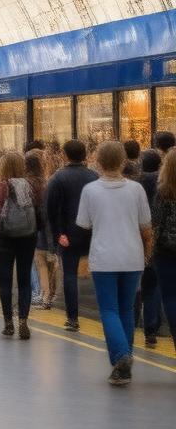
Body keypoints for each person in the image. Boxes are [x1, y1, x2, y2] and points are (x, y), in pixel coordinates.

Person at [75, 141, 151, 386]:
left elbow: (84, 224)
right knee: (126, 309)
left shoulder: (90, 190)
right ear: (123, 161)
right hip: (132, 256)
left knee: (109, 310)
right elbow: (146, 225)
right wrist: (148, 253)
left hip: (104, 257)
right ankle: (123, 366)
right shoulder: (136, 190)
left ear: (98, 161)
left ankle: (121, 357)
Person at [45, 139, 98, 332]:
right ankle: (106, 312)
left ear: (64, 155)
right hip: (92, 233)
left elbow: (51, 209)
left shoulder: (58, 178)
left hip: (68, 234)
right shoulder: (94, 176)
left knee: (69, 275)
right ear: (85, 155)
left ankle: (73, 318)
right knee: (99, 274)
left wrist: (58, 234)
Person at [0, 151, 40, 339]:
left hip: (5, 237)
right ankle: (23, 321)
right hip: (27, 235)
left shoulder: (3, 185)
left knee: (5, 280)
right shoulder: (30, 185)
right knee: (24, 279)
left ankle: (8, 323)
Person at [149, 148, 176, 356]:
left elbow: (155, 223)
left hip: (166, 251)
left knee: (170, 297)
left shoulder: (163, 192)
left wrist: (150, 250)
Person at [27, 151, 59, 310]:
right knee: (52, 262)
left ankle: (45, 297)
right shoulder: (48, 182)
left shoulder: (27, 184)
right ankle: (51, 295)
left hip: (38, 228)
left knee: (41, 263)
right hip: (52, 228)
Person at [137, 149, 163, 346]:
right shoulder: (164, 184)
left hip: (137, 237)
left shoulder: (135, 184)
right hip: (156, 239)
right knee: (153, 287)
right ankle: (152, 329)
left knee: (135, 284)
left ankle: (132, 320)